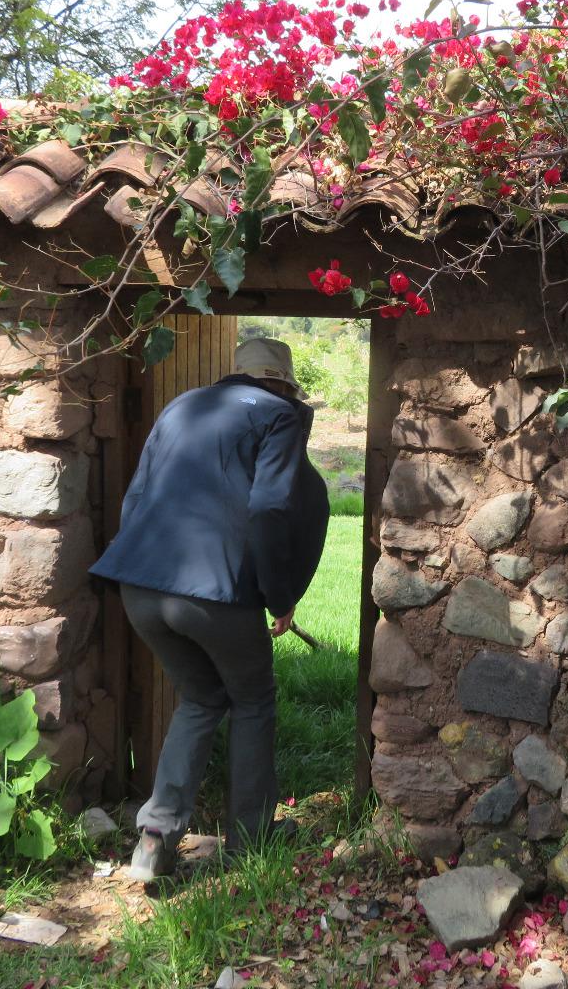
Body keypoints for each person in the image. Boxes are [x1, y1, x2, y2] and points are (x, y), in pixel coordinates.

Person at [89, 335, 331, 882]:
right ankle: (251, 837)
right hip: (214, 594)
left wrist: (144, 566)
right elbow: (271, 508)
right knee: (253, 700)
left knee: (201, 698)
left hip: (139, 586)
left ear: (236, 373)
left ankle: (155, 838)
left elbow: (135, 498)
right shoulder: (280, 416)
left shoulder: (181, 406)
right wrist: (280, 595)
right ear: (284, 383)